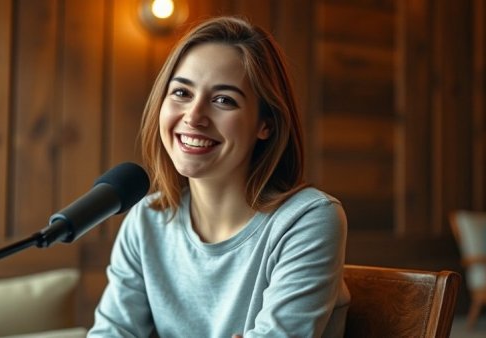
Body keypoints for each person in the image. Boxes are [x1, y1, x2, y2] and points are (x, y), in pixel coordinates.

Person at [88, 16, 350, 337]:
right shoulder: (147, 220)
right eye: (182, 93)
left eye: (223, 100)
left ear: (265, 124)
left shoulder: (307, 219)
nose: (194, 116)